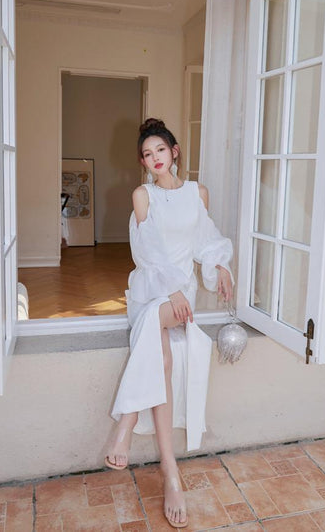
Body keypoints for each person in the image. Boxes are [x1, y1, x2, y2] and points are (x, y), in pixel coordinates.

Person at [105, 118, 234, 528]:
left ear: (174, 151)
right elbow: (148, 252)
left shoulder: (198, 193)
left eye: (160, 149)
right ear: (143, 162)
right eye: (147, 154)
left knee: (161, 351)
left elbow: (205, 240)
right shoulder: (143, 195)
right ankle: (170, 471)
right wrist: (172, 290)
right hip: (151, 289)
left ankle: (126, 424)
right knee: (160, 349)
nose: (154, 158)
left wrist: (220, 265)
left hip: (180, 295)